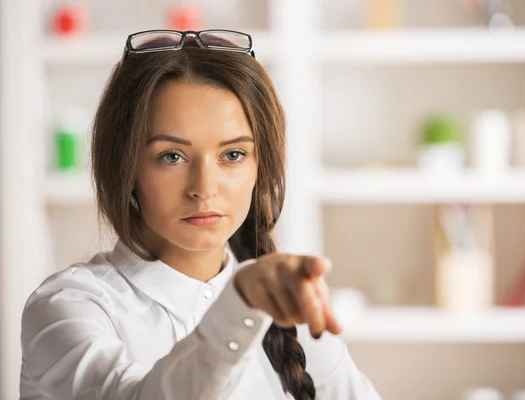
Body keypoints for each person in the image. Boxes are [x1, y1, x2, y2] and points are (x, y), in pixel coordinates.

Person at [20, 29, 382, 400]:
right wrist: (240, 303)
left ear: (261, 166)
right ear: (125, 168)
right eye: (172, 156)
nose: (204, 187)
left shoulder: (288, 315)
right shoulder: (68, 307)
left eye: (233, 155)